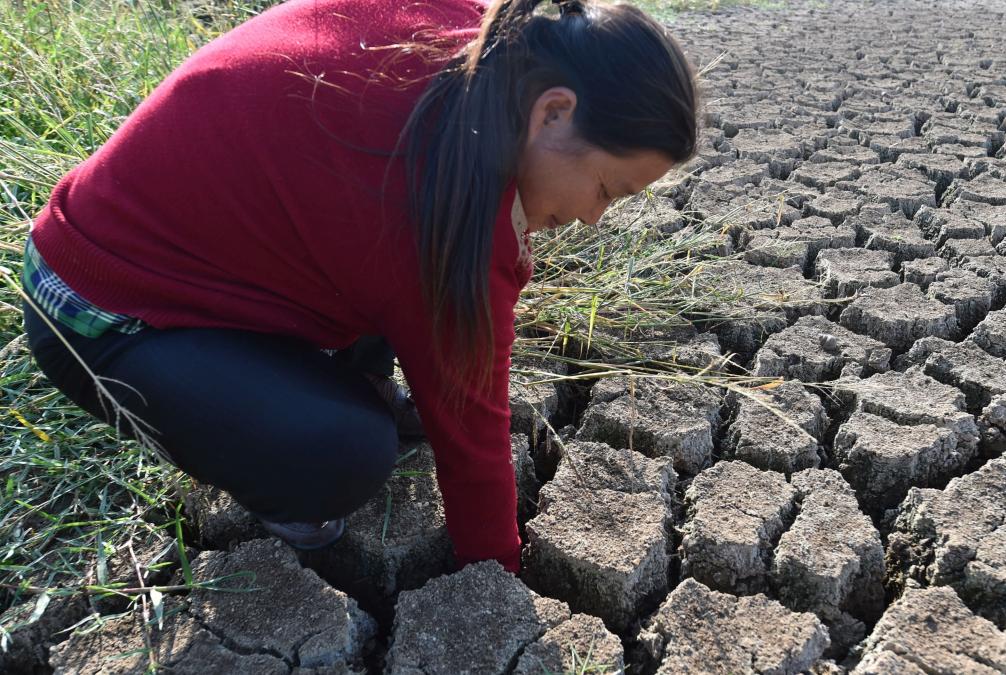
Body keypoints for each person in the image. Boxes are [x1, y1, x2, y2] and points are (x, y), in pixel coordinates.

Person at [19, 0, 698, 574]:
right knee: (344, 455)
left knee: (387, 330)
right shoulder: (443, 198)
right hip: (95, 313)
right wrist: (496, 572)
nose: (591, 216)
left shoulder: (487, 45)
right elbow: (471, 426)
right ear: (554, 112)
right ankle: (284, 485)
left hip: (187, 258)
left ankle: (336, 385)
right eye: (606, 189)